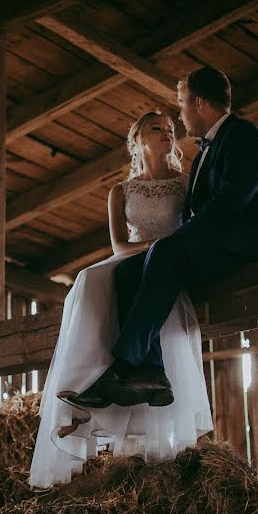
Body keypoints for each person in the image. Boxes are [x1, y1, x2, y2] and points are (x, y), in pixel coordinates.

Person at [68, 66, 258, 411]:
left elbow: (231, 201)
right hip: (225, 245)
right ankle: (152, 371)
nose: (180, 114)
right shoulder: (205, 151)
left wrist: (177, 239)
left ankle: (124, 366)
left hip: (255, 245)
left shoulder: (243, 134)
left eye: (182, 104)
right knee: (128, 271)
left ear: (200, 103)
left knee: (166, 252)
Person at [29, 111, 213, 489]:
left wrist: (163, 250)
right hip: (135, 258)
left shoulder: (185, 184)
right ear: (138, 140)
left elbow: (198, 227)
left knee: (129, 273)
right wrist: (154, 247)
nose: (166, 134)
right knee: (89, 278)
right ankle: (88, 379)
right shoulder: (120, 191)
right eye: (156, 129)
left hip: (170, 267)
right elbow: (119, 246)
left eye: (170, 129)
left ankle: (131, 369)